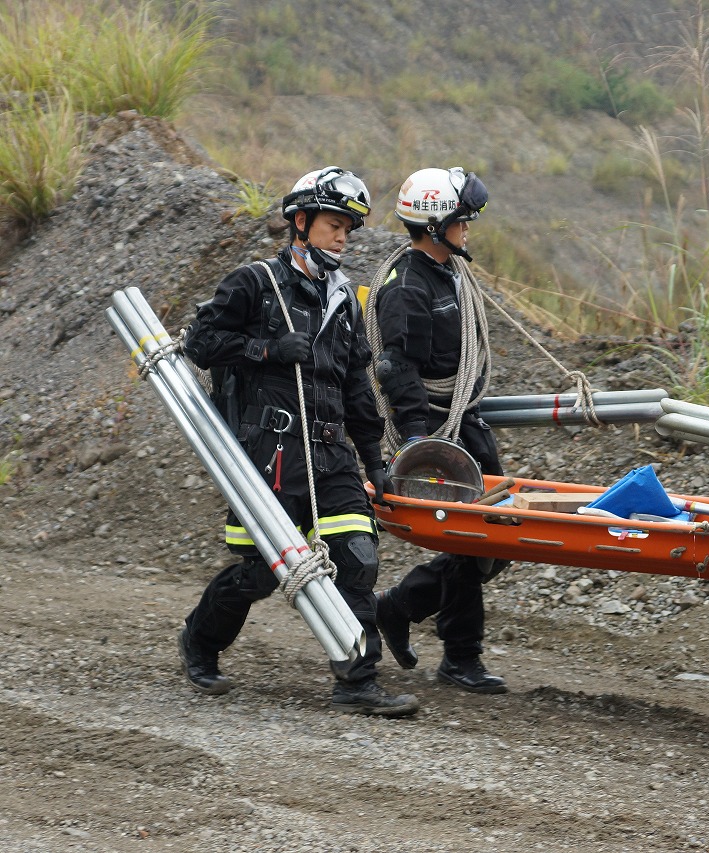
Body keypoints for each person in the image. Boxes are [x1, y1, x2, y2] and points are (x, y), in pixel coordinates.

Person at [177, 166, 419, 718]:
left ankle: (356, 681)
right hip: (270, 458)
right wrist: (266, 349)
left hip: (332, 455)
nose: (342, 237)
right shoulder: (254, 283)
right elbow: (202, 342)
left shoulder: (346, 301)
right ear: (301, 222)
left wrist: (375, 460)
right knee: (258, 574)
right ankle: (200, 641)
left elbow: (358, 386)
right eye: (334, 225)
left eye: (348, 229)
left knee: (358, 559)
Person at [369, 166, 509, 695]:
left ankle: (400, 607)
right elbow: (397, 370)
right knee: (474, 537)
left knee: (495, 537)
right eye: (462, 219)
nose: (468, 227)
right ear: (434, 225)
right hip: (438, 430)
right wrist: (417, 441)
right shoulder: (406, 287)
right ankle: (460, 656)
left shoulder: (447, 272)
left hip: (464, 424)